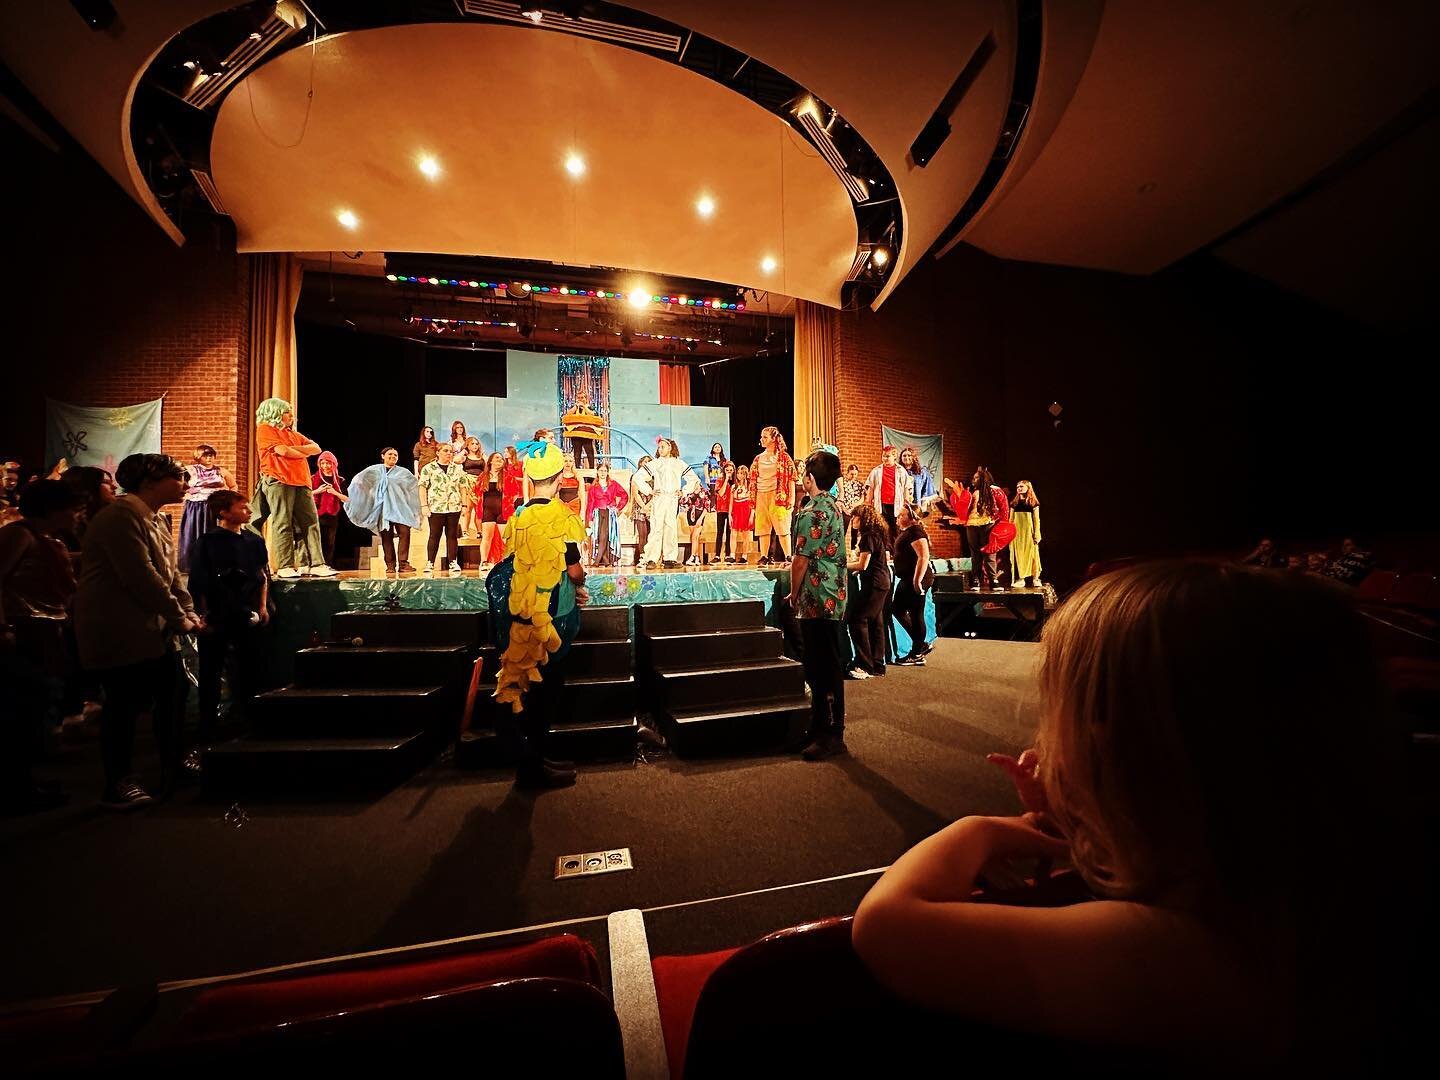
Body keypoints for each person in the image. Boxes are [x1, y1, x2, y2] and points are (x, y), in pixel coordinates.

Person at [852, 562, 1401, 1073]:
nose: (1042, 744)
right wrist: (1075, 815)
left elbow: (887, 925)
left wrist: (981, 830)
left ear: (1129, 755)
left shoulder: (1178, 957)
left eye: (1060, 720)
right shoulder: (1327, 910)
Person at [74, 453, 200, 809]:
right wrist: (180, 618)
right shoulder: (120, 516)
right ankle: (117, 781)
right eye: (178, 477)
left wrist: (186, 610)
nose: (185, 484)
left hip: (154, 628)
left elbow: (170, 574)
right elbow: (141, 578)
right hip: (118, 625)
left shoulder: (155, 518)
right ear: (149, 481)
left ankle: (173, 763)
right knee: (123, 705)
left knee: (171, 695)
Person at [491, 440, 589, 788]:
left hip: (522, 617)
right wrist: (579, 583)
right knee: (546, 696)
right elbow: (574, 570)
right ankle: (531, 771)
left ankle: (533, 761)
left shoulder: (518, 516)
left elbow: (511, 564)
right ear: (561, 476)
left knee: (530, 693)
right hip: (554, 618)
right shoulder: (563, 517)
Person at [0, 480, 84, 812]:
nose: (78, 515)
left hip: (45, 628)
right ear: (54, 509)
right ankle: (15, 786)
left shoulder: (47, 539)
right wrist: (2, 626)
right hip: (23, 630)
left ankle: (23, 780)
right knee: (21, 707)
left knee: (36, 704)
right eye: (73, 508)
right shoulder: (19, 535)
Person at [188, 490, 269, 747]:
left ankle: (247, 719)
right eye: (241, 506)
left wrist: (263, 607)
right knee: (211, 670)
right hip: (218, 614)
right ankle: (208, 725)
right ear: (223, 512)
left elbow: (261, 575)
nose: (248, 510)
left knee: (249, 668)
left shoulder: (253, 540)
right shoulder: (208, 541)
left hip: (248, 613)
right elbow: (199, 581)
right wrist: (203, 615)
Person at [787, 449, 848, 760]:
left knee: (822, 667)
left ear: (809, 478)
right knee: (826, 665)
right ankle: (821, 729)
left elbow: (801, 560)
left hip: (816, 597)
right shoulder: (834, 508)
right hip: (832, 595)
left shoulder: (811, 512)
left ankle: (830, 735)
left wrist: (793, 593)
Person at [253, 398, 335, 579]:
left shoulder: (293, 435)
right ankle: (285, 565)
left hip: (302, 482)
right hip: (279, 480)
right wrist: (301, 452)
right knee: (283, 522)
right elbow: (283, 451)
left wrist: (294, 450)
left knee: (310, 523)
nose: (291, 416)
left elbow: (316, 448)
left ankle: (316, 563)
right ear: (275, 413)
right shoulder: (266, 429)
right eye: (287, 412)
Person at [345, 448, 421, 575]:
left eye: (395, 454)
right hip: (383, 510)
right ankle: (390, 565)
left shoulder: (403, 473)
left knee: (405, 533)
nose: (393, 456)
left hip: (401, 509)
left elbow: (413, 488)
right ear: (383, 456)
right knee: (387, 537)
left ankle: (403, 563)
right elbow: (360, 481)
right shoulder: (374, 471)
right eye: (390, 454)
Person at [637, 438, 700, 569]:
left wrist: (684, 491)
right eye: (659, 447)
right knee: (656, 528)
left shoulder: (679, 464)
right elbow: (638, 477)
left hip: (672, 499)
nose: (660, 450)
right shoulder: (656, 463)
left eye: (662, 447)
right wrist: (649, 491)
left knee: (671, 527)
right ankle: (651, 559)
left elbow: (693, 479)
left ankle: (669, 558)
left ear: (670, 448)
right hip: (659, 499)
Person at [846, 505, 892, 680]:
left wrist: (841, 565)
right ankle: (878, 665)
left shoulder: (867, 536)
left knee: (858, 620)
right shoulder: (877, 534)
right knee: (876, 623)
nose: (852, 521)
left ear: (862, 519)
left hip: (874, 583)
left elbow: (862, 564)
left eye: (855, 517)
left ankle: (864, 664)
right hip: (882, 581)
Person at [947, 465, 1009, 591]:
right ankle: (975, 580)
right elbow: (964, 508)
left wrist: (1003, 525)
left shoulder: (995, 491)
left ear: (984, 479)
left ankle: (993, 580)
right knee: (975, 554)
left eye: (976, 478)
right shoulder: (972, 492)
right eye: (973, 478)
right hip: (972, 524)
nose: (973, 480)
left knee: (989, 552)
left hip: (988, 523)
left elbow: (1004, 508)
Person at [178, 444, 234, 573]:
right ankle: (192, 565)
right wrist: (191, 492)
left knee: (214, 533)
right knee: (193, 532)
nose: (209, 458)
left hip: (214, 507)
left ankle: (215, 564)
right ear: (199, 456)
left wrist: (227, 499)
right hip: (195, 506)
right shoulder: (190, 470)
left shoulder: (221, 471)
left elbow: (233, 486)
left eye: (211, 455)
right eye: (205, 455)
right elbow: (180, 484)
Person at [892, 503, 934, 665]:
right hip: (908, 578)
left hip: (915, 578)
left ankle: (916, 653)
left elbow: (923, 557)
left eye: (901, 515)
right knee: (898, 609)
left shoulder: (916, 532)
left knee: (916, 614)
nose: (898, 518)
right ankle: (920, 644)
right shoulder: (908, 532)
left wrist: (917, 580)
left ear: (912, 519)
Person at [418, 442, 467, 575]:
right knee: (435, 535)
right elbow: (422, 487)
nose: (449, 453)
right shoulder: (429, 468)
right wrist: (424, 506)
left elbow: (463, 487)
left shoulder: (457, 469)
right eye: (445, 451)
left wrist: (464, 505)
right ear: (438, 452)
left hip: (453, 506)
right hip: (436, 507)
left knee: (452, 535)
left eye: (451, 451)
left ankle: (452, 561)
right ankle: (430, 562)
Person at [751, 426, 796, 566]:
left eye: (765, 437)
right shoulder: (758, 458)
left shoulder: (784, 457)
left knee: (782, 526)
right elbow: (753, 478)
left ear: (773, 439)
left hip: (778, 496)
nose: (762, 439)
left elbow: (791, 478)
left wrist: (792, 498)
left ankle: (788, 556)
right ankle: (764, 556)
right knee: (762, 527)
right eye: (762, 437)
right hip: (761, 495)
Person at [585, 462, 628, 567]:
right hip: (598, 513)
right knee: (599, 536)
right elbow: (590, 503)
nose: (603, 473)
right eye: (601, 471)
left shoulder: (613, 484)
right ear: (597, 472)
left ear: (608, 472)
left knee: (604, 535)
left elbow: (624, 495)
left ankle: (597, 560)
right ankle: (606, 560)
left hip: (609, 512)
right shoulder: (593, 487)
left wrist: (618, 508)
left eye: (605, 471)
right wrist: (589, 519)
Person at [311, 450, 348, 568]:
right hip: (315, 514)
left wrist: (334, 492)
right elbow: (305, 496)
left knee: (329, 543)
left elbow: (346, 499)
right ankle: (315, 565)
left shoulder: (340, 480)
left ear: (333, 464)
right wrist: (318, 491)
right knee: (316, 541)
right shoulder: (313, 478)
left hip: (332, 515)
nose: (325, 466)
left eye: (328, 463)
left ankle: (327, 565)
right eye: (322, 463)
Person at [865, 445, 909, 529]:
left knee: (895, 529)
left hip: (896, 505)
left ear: (894, 456)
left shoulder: (901, 471)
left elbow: (906, 488)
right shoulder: (876, 471)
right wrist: (868, 504)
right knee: (881, 529)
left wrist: (906, 505)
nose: (885, 458)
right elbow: (871, 488)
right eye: (883, 456)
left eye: (887, 456)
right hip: (881, 505)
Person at [476, 452, 508, 568]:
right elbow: (476, 492)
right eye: (497, 457)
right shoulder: (483, 477)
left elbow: (514, 492)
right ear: (490, 461)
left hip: (503, 511)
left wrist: (508, 505)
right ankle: (483, 562)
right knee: (486, 538)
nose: (500, 460)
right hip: (487, 510)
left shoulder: (506, 476)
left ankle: (507, 563)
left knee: (505, 539)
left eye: (502, 458)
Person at [1009, 480, 1043, 587]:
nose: (1019, 488)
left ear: (1028, 487)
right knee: (1019, 555)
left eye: (1022, 486)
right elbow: (1010, 519)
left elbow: (1036, 520)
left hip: (1029, 532)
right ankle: (1021, 578)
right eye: (1018, 486)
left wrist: (1037, 534)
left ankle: (1035, 578)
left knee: (1033, 554)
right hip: (1017, 533)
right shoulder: (1014, 503)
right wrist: (1009, 533)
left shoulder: (1033, 503)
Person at [626, 454, 653, 565]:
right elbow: (635, 494)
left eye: (649, 462)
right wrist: (643, 507)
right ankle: (642, 557)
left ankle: (650, 556)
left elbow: (655, 493)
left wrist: (649, 506)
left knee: (651, 534)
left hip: (651, 506)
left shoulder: (653, 478)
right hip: (639, 507)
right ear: (640, 463)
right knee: (642, 534)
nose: (646, 463)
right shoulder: (636, 476)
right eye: (644, 461)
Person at [460, 435, 486, 538]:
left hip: (479, 484)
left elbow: (488, 466)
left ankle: (479, 531)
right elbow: (455, 460)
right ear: (468, 445)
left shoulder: (481, 457)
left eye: (477, 444)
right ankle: (465, 531)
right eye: (472, 444)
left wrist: (484, 457)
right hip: (468, 484)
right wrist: (463, 452)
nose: (475, 445)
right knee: (468, 509)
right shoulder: (465, 457)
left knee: (479, 509)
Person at [730, 464, 755, 564]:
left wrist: (752, 515)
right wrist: (729, 514)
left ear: (745, 474)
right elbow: (731, 502)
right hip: (736, 510)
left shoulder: (749, 487)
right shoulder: (734, 487)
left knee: (746, 535)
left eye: (741, 473)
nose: (739, 475)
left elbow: (753, 502)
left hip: (746, 510)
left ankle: (744, 556)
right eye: (738, 473)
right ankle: (732, 555)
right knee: (733, 533)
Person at [901, 446, 938, 511]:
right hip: (901, 506)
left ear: (913, 457)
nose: (907, 457)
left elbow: (927, 488)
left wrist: (923, 506)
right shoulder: (898, 471)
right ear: (901, 458)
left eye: (909, 455)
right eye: (904, 456)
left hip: (916, 506)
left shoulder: (922, 472)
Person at [713, 460, 735, 564]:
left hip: (732, 510)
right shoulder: (720, 480)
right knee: (720, 532)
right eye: (727, 470)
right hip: (721, 509)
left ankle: (728, 554)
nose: (729, 472)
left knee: (729, 532)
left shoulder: (736, 482)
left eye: (731, 470)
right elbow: (720, 493)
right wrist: (726, 480)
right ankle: (717, 555)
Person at [838, 464, 866, 546]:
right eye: (851, 474)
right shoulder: (842, 483)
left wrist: (855, 505)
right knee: (843, 530)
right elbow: (839, 497)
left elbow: (862, 498)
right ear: (847, 473)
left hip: (855, 510)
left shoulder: (859, 484)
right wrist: (844, 509)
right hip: (844, 510)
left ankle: (853, 548)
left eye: (855, 474)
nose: (853, 476)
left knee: (855, 531)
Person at [681, 485, 709, 566]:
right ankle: (697, 557)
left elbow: (706, 507)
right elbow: (683, 502)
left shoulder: (703, 491)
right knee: (694, 538)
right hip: (690, 515)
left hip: (699, 516)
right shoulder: (689, 490)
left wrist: (700, 519)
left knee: (694, 536)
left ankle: (692, 557)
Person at [502, 445, 526, 518]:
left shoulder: (520, 464)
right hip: (507, 494)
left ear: (512, 453)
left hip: (519, 493)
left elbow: (525, 479)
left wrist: (513, 478)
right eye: (504, 452)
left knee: (520, 514)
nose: (505, 453)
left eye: (507, 452)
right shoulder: (503, 466)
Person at [557, 452, 583, 518]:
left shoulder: (578, 476)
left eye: (570, 461)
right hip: (561, 507)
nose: (568, 463)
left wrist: (582, 511)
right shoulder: (558, 476)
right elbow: (555, 495)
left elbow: (582, 496)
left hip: (575, 507)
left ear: (573, 463)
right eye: (565, 461)